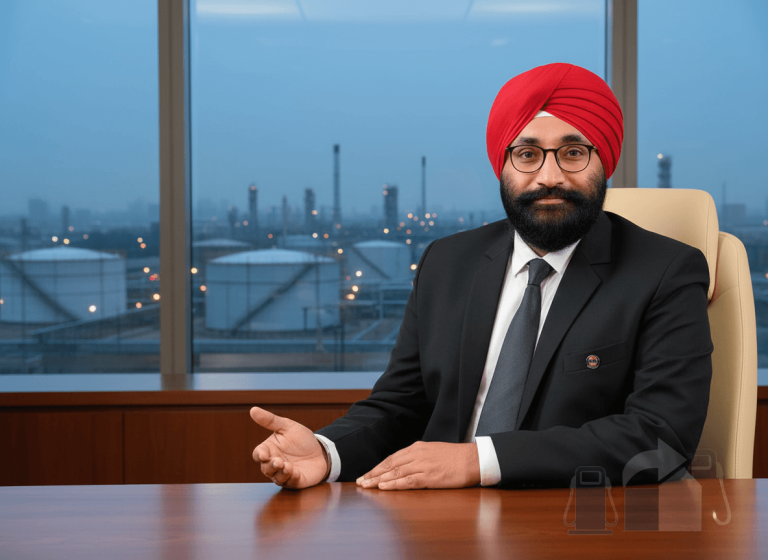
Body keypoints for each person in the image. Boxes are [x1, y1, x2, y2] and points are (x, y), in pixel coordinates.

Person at [250, 62, 713, 490]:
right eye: (527, 153)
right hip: (439, 522)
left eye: (573, 152)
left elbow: (660, 435)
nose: (549, 175)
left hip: (581, 522)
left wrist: (477, 460)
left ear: (603, 161)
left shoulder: (665, 272)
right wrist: (327, 453)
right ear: (503, 164)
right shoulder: (447, 262)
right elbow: (400, 404)